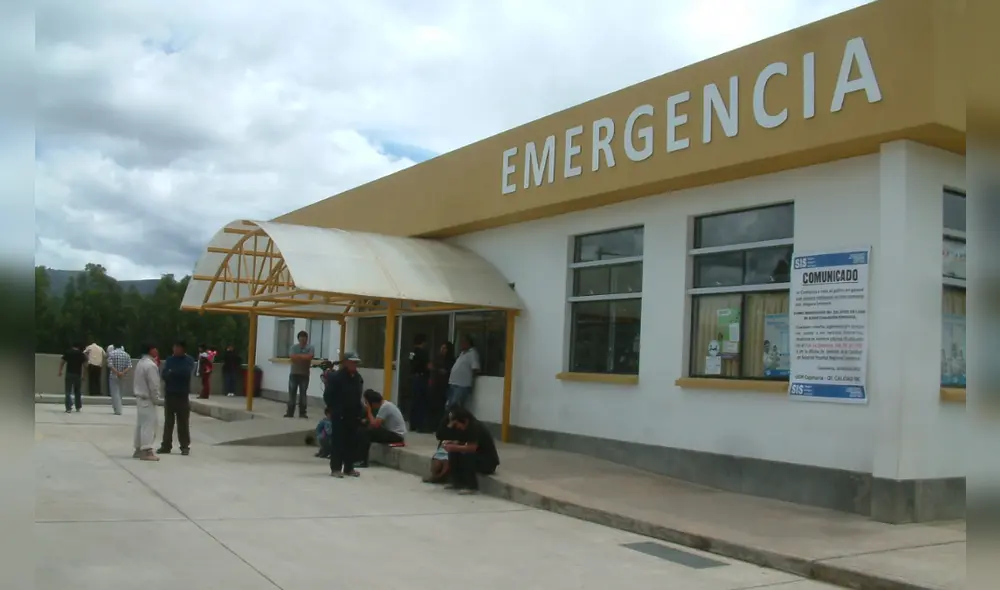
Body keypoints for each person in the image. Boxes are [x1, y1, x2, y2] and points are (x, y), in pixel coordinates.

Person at [323, 352, 364, 478]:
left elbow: (358, 396)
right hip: (339, 413)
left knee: (351, 442)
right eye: (352, 362)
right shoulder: (336, 377)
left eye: (356, 362)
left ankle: (349, 467)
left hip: (353, 414)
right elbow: (328, 395)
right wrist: (331, 409)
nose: (354, 365)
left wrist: (359, 413)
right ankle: (335, 468)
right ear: (345, 362)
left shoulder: (357, 378)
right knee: (338, 442)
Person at [441, 407, 499, 494]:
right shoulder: (463, 428)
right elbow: (461, 442)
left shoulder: (475, 427)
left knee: (467, 454)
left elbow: (472, 447)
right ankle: (456, 481)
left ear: (464, 421)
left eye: (456, 424)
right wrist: (451, 443)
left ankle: (472, 486)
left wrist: (454, 447)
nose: (456, 427)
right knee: (454, 452)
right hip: (477, 457)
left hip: (487, 462)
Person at [158, 341, 196, 456]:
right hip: (170, 394)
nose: (174, 349)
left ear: (182, 349)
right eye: (174, 347)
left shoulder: (188, 360)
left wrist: (172, 372)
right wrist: (171, 373)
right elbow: (164, 374)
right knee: (168, 422)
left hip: (182, 395)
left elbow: (185, 373)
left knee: (183, 422)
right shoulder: (170, 360)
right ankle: (166, 445)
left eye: (177, 347)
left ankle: (184, 446)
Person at [356, 389, 406, 468]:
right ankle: (356, 458)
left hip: (397, 435)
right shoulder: (385, 405)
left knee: (367, 433)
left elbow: (375, 425)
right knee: (362, 429)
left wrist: (368, 411)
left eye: (367, 403)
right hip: (391, 432)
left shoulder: (385, 407)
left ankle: (362, 461)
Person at [132, 343, 161, 461]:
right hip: (147, 398)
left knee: (141, 425)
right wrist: (156, 398)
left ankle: (138, 448)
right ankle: (147, 450)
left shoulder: (141, 363)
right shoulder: (150, 365)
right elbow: (154, 385)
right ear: (151, 350)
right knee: (148, 425)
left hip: (140, 398)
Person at [423, 410, 460, 484]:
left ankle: (441, 477)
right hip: (444, 447)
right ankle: (435, 475)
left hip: (455, 447)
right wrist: (449, 426)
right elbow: (439, 435)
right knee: (437, 460)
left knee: (446, 461)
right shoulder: (445, 422)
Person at [286, 330, 315, 419]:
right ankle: (290, 412)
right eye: (301, 339)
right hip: (294, 374)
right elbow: (292, 357)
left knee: (303, 394)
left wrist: (298, 357)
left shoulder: (310, 347)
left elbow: (310, 357)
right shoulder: (293, 347)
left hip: (304, 374)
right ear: (298, 339)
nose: (303, 341)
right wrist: (303, 357)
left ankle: (302, 413)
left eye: (304, 339)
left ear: (307, 339)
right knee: (292, 394)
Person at [407, 334, 432, 433]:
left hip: (414, 377)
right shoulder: (423, 353)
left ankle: (412, 424)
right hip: (422, 378)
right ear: (423, 342)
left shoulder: (412, 352)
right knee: (422, 401)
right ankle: (421, 425)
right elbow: (428, 366)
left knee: (414, 401)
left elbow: (410, 363)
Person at [447, 335, 480, 409]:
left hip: (461, 385)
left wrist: (468, 379)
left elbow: (475, 369)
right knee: (449, 406)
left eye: (463, 342)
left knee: (455, 407)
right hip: (453, 383)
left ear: (468, 343)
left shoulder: (472, 353)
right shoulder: (462, 353)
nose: (461, 344)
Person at [429, 341, 455, 428]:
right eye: (442, 348)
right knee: (434, 405)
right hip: (435, 384)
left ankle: (440, 424)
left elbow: (447, 371)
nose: (442, 350)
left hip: (444, 385)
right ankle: (432, 424)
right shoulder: (437, 358)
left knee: (442, 406)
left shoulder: (450, 360)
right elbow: (432, 367)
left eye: (444, 348)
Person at [57, 343, 87, 413]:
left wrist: (60, 371)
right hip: (78, 374)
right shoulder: (81, 354)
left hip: (69, 373)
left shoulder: (68, 352)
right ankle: (78, 407)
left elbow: (62, 361)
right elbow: (85, 365)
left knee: (68, 391)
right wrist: (84, 375)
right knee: (77, 391)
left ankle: (68, 408)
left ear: (72, 346)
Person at [106, 345, 133, 416]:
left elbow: (110, 365)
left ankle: (117, 410)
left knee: (115, 393)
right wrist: (122, 372)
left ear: (114, 347)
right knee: (120, 393)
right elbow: (129, 366)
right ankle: (119, 407)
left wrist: (117, 372)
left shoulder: (111, 354)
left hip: (113, 376)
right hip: (123, 376)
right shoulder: (126, 354)